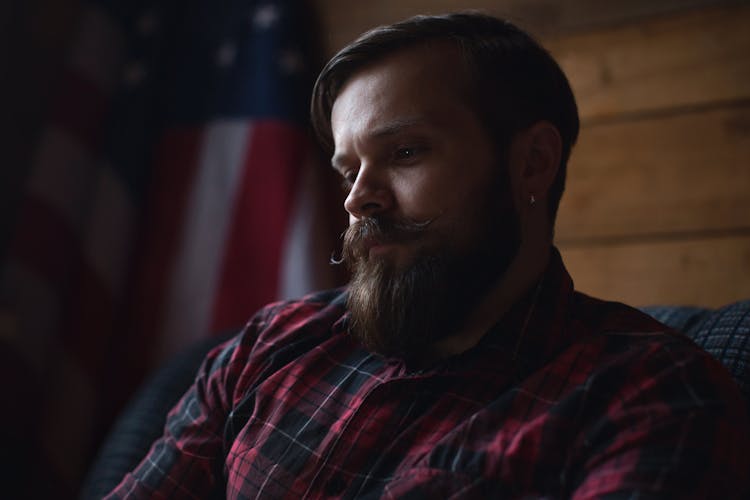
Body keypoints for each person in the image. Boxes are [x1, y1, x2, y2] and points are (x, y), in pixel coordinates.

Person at [105, 12, 749, 499]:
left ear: (533, 162)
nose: (359, 200)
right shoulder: (270, 345)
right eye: (348, 168)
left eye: (406, 153)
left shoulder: (653, 397)